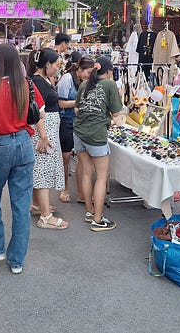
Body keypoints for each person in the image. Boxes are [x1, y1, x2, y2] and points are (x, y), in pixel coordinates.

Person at [0, 44, 49, 275]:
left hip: (0, 146)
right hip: (25, 145)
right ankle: (17, 260)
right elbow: (40, 113)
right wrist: (43, 137)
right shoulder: (27, 86)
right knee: (21, 204)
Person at [74, 56, 124, 231]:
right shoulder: (110, 84)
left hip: (79, 132)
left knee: (87, 173)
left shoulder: (84, 84)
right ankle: (98, 219)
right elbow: (117, 114)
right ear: (109, 71)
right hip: (96, 134)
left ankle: (90, 212)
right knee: (102, 177)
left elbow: (77, 108)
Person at [27, 48, 69, 230]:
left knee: (41, 169)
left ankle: (38, 205)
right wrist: (43, 136)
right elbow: (38, 112)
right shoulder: (36, 82)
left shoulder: (42, 80)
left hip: (48, 129)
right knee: (43, 169)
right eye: (56, 65)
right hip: (43, 131)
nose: (57, 69)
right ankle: (45, 215)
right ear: (47, 64)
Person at [57, 53, 94, 204]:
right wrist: (79, 102)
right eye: (88, 72)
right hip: (66, 121)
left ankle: (81, 192)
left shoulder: (85, 81)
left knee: (82, 157)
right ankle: (64, 189)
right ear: (79, 69)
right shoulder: (67, 79)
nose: (89, 76)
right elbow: (61, 104)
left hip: (81, 122)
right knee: (65, 157)